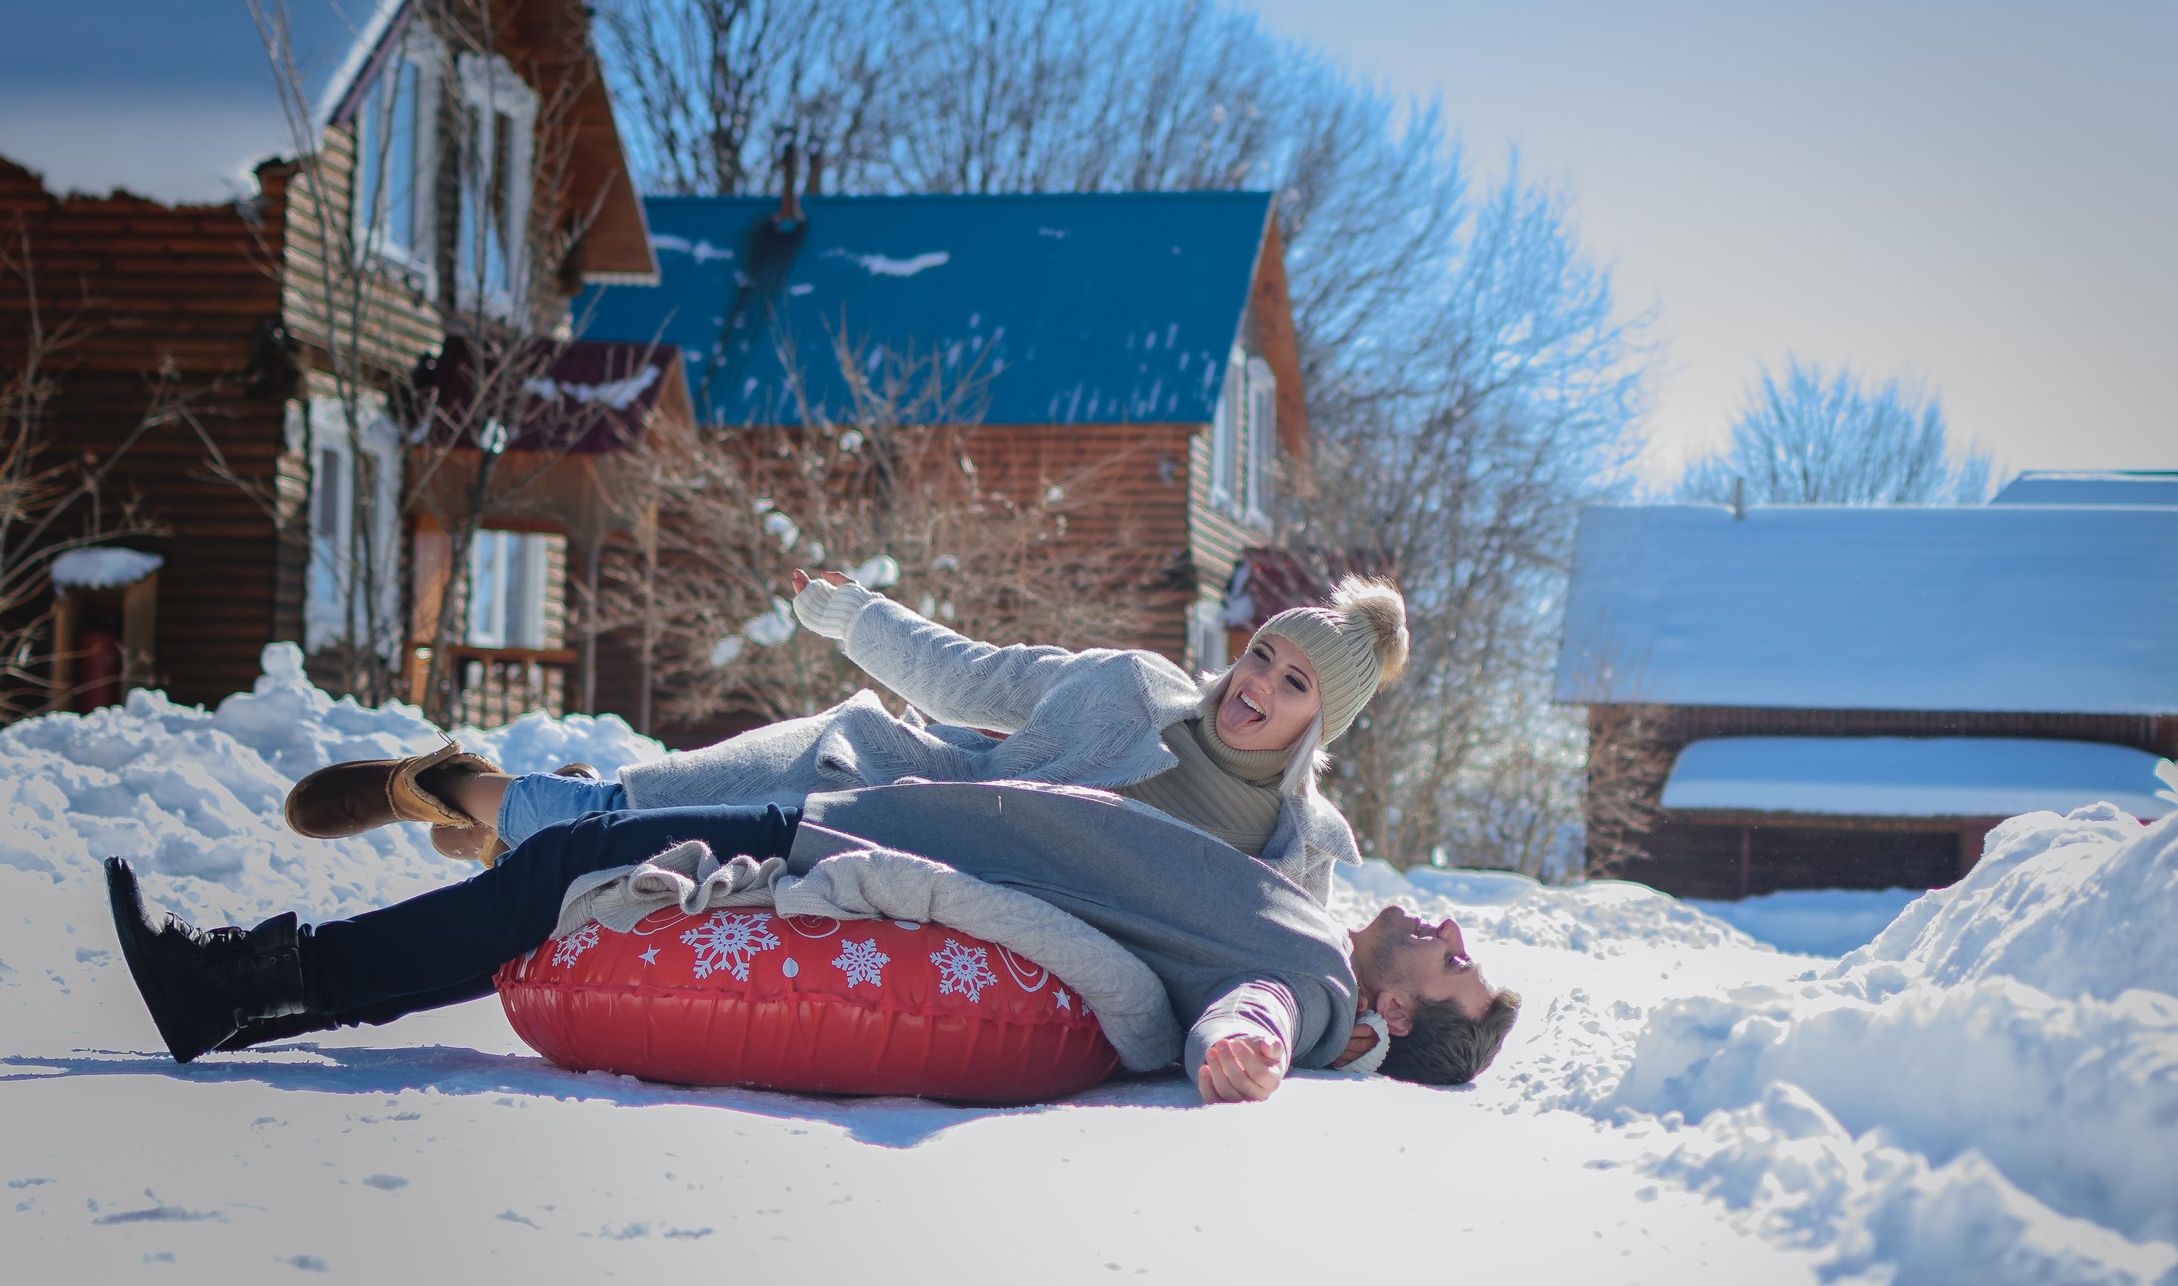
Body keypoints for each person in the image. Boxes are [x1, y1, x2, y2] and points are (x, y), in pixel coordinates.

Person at [109, 779, 1522, 1105]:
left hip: (852, 845)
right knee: (553, 868)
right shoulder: (1317, 914)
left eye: (1455, 960)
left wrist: (1243, 1052)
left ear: (1397, 1018)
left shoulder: (1314, 985)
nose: (1449, 928)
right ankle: (258, 988)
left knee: (552, 875)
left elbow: (1250, 1015)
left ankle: (250, 983)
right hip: (871, 813)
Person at [283, 569, 1409, 905]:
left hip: (945, 888)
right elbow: (968, 675)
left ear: (1318, 722)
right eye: (1262, 652)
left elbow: (1298, 960)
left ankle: (504, 822)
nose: (1256, 683)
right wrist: (853, 615)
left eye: (1292, 682)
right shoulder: (1128, 687)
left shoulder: (1297, 846)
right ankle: (450, 784)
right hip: (873, 783)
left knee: (636, 851)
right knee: (621, 820)